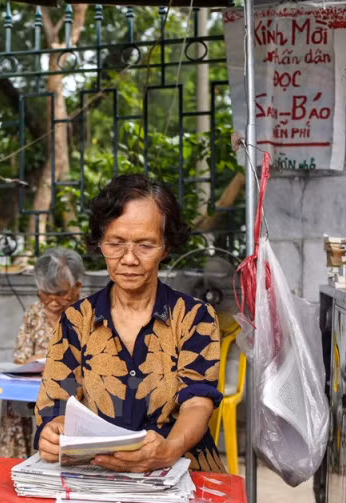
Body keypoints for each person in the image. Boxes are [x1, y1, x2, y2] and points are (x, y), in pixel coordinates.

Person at [34, 174, 226, 473]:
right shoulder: (76, 321)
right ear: (100, 243)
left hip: (182, 472)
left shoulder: (194, 318)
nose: (129, 259)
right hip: (98, 474)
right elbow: (57, 403)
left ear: (166, 246)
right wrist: (52, 431)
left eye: (145, 245)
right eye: (116, 243)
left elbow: (198, 403)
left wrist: (168, 450)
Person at [0, 248, 84, 458]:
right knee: (11, 400)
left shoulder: (88, 312)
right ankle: (16, 461)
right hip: (35, 385)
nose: (53, 301)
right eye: (46, 294)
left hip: (73, 388)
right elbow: (20, 358)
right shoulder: (34, 313)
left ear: (77, 288)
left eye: (61, 294)